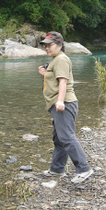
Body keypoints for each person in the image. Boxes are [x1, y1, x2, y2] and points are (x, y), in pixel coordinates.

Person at [38, 31, 93, 184]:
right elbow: (55, 80)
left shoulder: (61, 59)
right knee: (59, 138)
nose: (47, 48)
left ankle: (84, 169)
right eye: (45, 45)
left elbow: (63, 82)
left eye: (50, 45)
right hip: (58, 104)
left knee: (66, 137)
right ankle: (57, 169)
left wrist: (60, 102)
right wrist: (44, 74)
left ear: (60, 45)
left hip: (64, 104)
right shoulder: (56, 60)